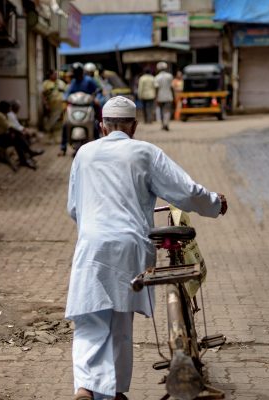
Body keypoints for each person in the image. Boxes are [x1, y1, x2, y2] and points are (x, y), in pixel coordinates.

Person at [66, 96, 228, 400]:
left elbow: (74, 208)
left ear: (101, 126)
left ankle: (87, 388)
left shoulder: (83, 154)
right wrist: (215, 204)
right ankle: (113, 391)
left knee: (89, 319)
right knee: (120, 319)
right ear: (134, 127)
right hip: (130, 247)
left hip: (92, 245)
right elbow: (185, 191)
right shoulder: (145, 152)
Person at [59, 62, 101, 157]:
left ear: (81, 72)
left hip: (88, 106)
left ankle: (98, 144)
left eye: (77, 72)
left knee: (95, 124)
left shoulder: (89, 80)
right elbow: (67, 92)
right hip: (75, 107)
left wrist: (96, 98)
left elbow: (98, 90)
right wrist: (65, 98)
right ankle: (63, 148)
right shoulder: (73, 82)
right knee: (66, 124)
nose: (76, 75)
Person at [0, 100, 38, 170]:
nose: (10, 110)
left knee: (17, 140)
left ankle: (25, 158)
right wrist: (21, 132)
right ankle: (27, 154)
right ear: (4, 108)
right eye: (9, 108)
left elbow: (9, 127)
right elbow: (10, 127)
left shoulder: (3, 116)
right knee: (17, 137)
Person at [42, 70, 66, 144]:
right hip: (51, 105)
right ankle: (48, 138)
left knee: (59, 122)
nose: (55, 75)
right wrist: (45, 104)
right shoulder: (46, 84)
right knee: (51, 121)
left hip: (61, 104)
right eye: (54, 74)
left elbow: (66, 92)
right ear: (50, 75)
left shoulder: (61, 83)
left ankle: (57, 139)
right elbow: (43, 95)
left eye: (56, 74)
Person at [154, 61, 174, 131]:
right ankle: (166, 124)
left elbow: (156, 88)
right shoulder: (170, 76)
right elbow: (172, 87)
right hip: (168, 96)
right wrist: (173, 95)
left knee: (162, 110)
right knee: (167, 110)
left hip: (160, 96)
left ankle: (163, 124)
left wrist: (156, 97)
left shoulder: (157, 77)